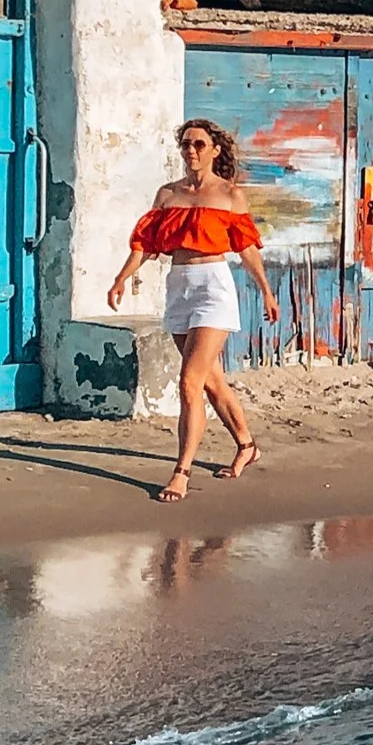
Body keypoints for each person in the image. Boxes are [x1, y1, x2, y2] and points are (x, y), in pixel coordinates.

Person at [108, 119, 279, 500]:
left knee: (189, 382)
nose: (192, 151)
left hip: (214, 287)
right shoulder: (168, 194)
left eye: (199, 144)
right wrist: (121, 278)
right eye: (186, 144)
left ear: (215, 150)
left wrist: (266, 291)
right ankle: (247, 445)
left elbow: (247, 249)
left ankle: (181, 471)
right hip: (179, 286)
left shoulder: (231, 195)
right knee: (211, 380)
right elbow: (146, 244)